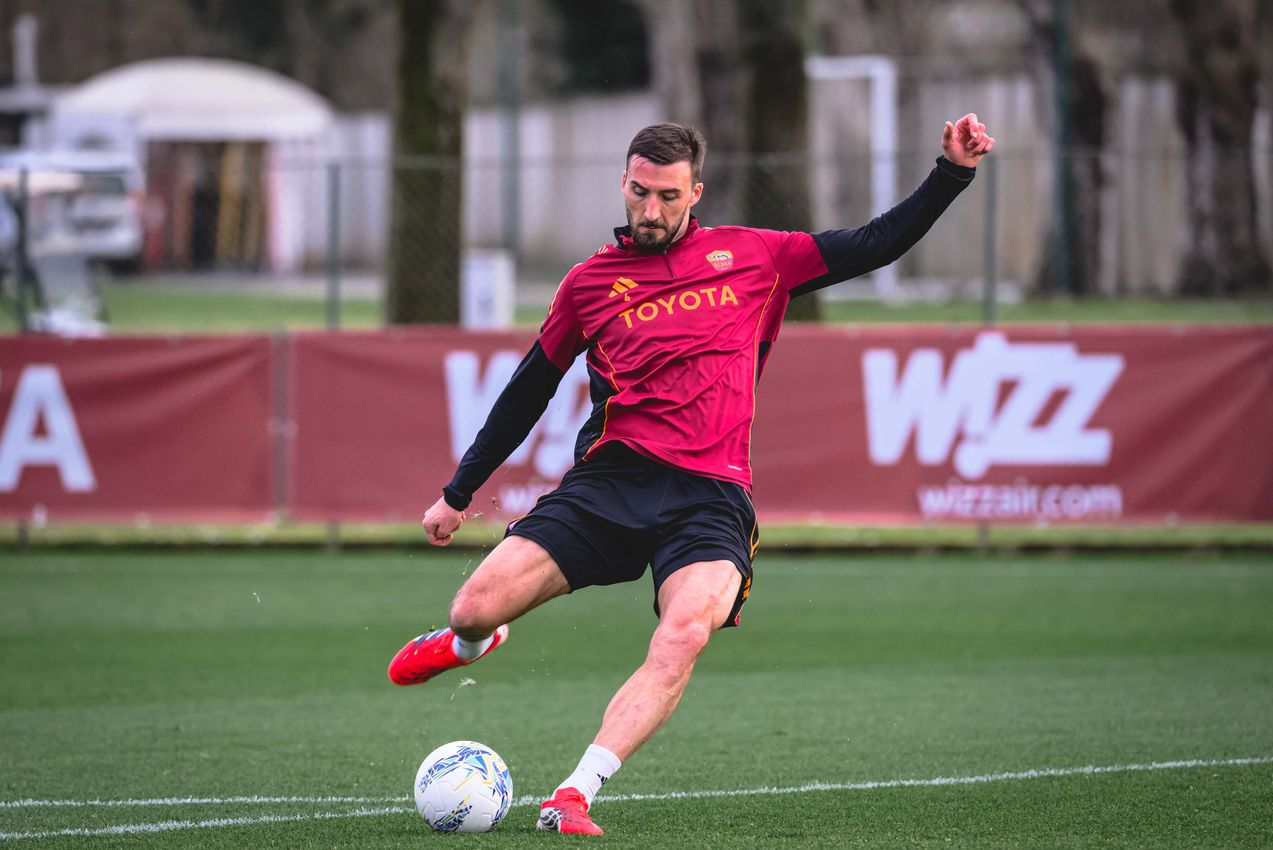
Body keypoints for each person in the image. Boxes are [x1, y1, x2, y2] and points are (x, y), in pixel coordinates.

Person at [389, 115, 995, 835]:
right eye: (640, 193)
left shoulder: (756, 257)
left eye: (668, 197)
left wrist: (950, 172)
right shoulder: (589, 284)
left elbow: (874, 243)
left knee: (683, 634)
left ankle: (573, 794)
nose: (651, 211)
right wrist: (458, 494)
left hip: (711, 497)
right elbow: (528, 389)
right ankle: (470, 645)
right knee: (472, 608)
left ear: (694, 192)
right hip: (611, 482)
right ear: (623, 183)